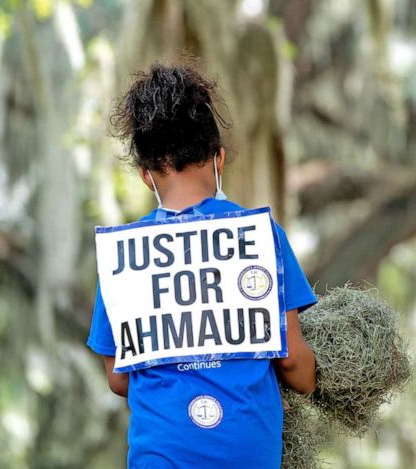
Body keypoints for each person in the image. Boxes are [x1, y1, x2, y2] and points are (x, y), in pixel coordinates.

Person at [87, 62, 317, 468]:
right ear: (219, 158)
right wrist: (316, 382)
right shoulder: (260, 236)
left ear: (146, 176)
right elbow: (292, 361)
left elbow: (118, 377)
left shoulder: (123, 255)